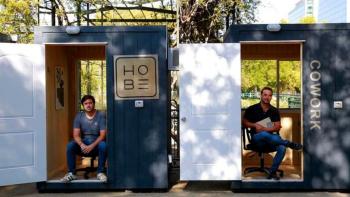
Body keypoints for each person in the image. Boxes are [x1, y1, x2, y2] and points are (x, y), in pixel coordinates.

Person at [243, 87, 302, 180]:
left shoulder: (274, 110)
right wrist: (255, 125)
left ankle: (272, 172)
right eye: (265, 95)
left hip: (271, 140)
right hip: (256, 140)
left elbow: (278, 126)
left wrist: (263, 128)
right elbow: (245, 122)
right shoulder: (252, 109)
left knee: (281, 147)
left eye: (270, 95)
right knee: (264, 134)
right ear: (261, 95)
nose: (267, 97)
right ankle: (288, 143)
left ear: (271, 97)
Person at [61, 95, 107, 183]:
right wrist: (82, 145)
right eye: (86, 103)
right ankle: (72, 173)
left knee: (103, 145)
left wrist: (92, 146)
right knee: (70, 145)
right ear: (83, 105)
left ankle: (100, 173)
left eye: (90, 103)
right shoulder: (79, 116)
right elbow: (76, 135)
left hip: (96, 143)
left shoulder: (100, 115)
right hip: (84, 143)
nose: (88, 105)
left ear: (94, 104)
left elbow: (102, 136)